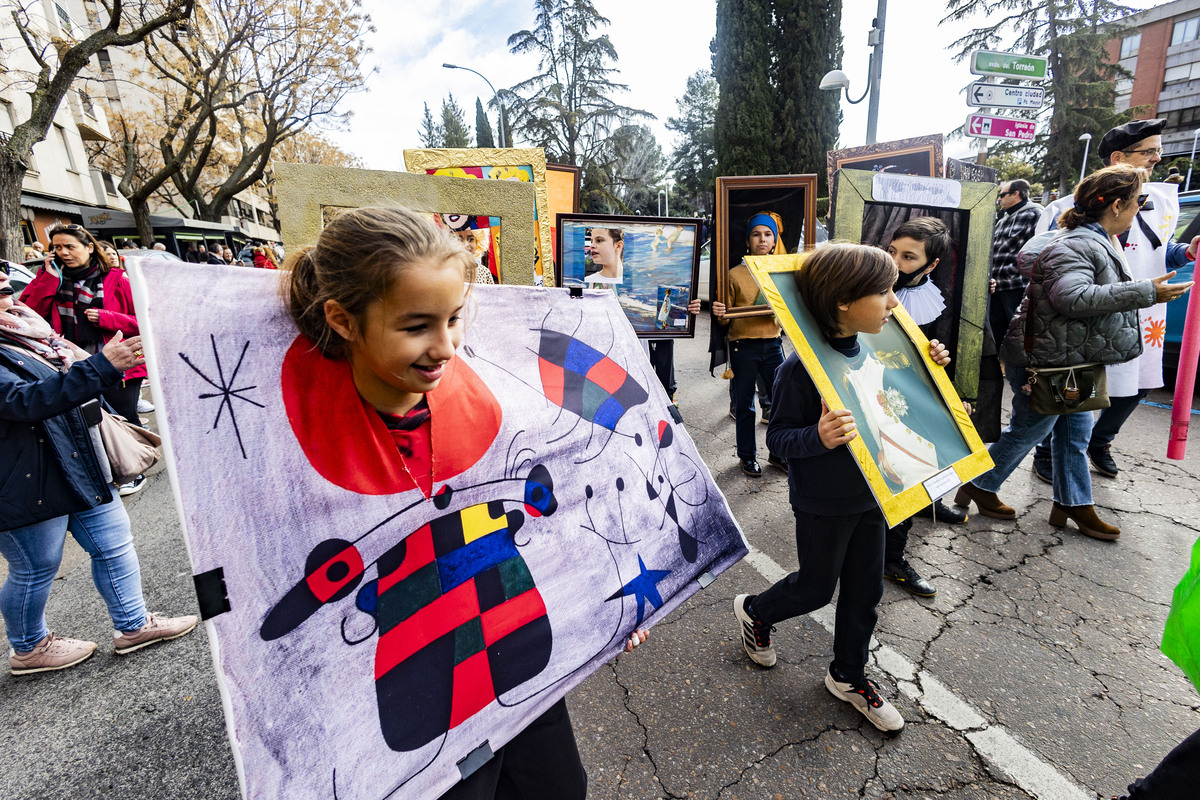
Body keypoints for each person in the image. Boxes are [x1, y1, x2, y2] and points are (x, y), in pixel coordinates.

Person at [281, 205, 646, 799]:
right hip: (420, 686)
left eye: (454, 319)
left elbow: (567, 509)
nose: (445, 346)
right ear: (343, 321)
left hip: (516, 649)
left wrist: (608, 602)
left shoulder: (492, 405)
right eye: (416, 326)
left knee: (560, 789)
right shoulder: (301, 449)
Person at [733, 241, 952, 732]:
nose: (896, 303)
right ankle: (755, 612)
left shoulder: (886, 342)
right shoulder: (799, 369)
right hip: (823, 501)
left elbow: (905, 400)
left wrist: (926, 361)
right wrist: (818, 435)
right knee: (814, 589)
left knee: (864, 591)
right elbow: (781, 437)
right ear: (843, 301)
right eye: (885, 291)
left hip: (877, 491)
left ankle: (848, 675)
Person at [955, 165, 1193, 541]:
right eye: (1137, 203)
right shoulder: (1080, 243)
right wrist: (1147, 292)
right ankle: (981, 485)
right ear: (1116, 205)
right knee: (1029, 431)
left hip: (1069, 358)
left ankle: (1071, 502)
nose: (1138, 210)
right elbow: (1072, 297)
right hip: (1052, 360)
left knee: (1074, 434)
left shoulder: (1083, 238)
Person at [0, 271, 198, 674]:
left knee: (114, 542)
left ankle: (134, 625)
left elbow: (56, 383)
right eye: (0, 292)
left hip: (72, 456)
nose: (9, 297)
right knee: (36, 566)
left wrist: (97, 367)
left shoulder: (28, 331)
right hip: (24, 474)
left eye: (6, 287)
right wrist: (99, 368)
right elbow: (21, 402)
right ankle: (29, 648)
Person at [1033, 119, 1199, 482]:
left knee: (1138, 382)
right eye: (1149, 151)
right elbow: (1044, 263)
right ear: (1119, 157)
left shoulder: (1158, 202)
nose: (1157, 158)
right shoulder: (1068, 207)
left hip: (1145, 309)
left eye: (1159, 149)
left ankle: (1099, 441)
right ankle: (1048, 454)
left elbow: (1153, 250)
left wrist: (1186, 252)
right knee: (1074, 389)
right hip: (1088, 312)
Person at [21, 224, 150, 496]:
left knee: (122, 416)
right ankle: (109, 469)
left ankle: (135, 467)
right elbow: (29, 314)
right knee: (91, 420)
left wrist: (107, 318)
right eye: (57, 247)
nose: (63, 252)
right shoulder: (53, 279)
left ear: (89, 247)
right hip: (74, 365)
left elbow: (147, 321)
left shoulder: (119, 279)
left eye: (70, 246)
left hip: (121, 363)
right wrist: (47, 278)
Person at [880, 217, 965, 599]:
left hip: (916, 395)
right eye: (892, 251)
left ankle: (924, 508)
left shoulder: (938, 296)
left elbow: (942, 349)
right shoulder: (871, 283)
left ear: (931, 265)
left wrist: (938, 359)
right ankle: (889, 558)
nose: (895, 262)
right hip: (875, 391)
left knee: (921, 463)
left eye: (908, 257)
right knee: (897, 472)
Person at [712, 212, 787, 477]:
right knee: (745, 405)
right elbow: (725, 322)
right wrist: (721, 314)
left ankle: (778, 455)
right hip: (743, 347)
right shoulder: (733, 275)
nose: (762, 239)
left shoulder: (781, 273)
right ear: (748, 240)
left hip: (773, 345)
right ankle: (747, 456)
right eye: (756, 234)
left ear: (775, 239)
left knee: (781, 403)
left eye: (768, 234)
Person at [990, 179, 1044, 346]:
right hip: (997, 286)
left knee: (1017, 331)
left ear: (1016, 194)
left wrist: (1019, 271)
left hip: (1016, 285)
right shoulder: (1004, 218)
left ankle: (1018, 369)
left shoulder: (1035, 214)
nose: (999, 199)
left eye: (1002, 194)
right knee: (997, 331)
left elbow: (1038, 249)